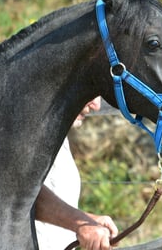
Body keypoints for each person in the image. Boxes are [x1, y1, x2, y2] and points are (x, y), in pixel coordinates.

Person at [35, 97, 118, 250]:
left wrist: (89, 220)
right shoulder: (24, 133)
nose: (97, 106)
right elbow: (19, 192)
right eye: (91, 93)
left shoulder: (57, 138)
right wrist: (79, 222)